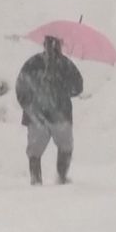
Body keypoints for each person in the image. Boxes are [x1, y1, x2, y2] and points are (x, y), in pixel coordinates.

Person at [15, 36, 84, 185]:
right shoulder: (65, 64)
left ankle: (37, 179)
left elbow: (21, 87)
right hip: (59, 115)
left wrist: (29, 107)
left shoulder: (32, 63)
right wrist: (66, 89)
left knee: (35, 151)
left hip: (39, 116)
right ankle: (61, 177)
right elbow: (78, 87)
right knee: (64, 147)